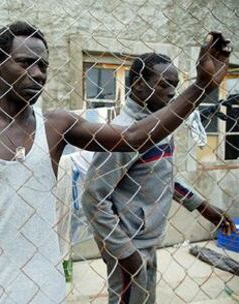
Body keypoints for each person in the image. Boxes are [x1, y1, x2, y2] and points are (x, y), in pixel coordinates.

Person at [0, 20, 231, 303]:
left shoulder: (57, 126)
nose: (38, 74)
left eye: (43, 65)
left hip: (44, 280)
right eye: (25, 63)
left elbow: (135, 137)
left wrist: (201, 86)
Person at [81, 52, 236, 304]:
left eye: (175, 85)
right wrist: (124, 251)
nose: (172, 93)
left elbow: (164, 177)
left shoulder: (159, 127)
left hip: (146, 239)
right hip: (128, 241)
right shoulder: (123, 132)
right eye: (164, 84)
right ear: (139, 84)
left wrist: (204, 207)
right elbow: (93, 197)